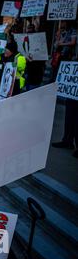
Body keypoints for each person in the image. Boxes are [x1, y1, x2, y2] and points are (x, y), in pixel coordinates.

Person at [52, 21, 78, 158]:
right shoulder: (66, 32)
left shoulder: (74, 32)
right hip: (72, 71)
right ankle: (67, 140)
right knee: (70, 108)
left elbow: (72, 43)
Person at [25, 24, 45, 91]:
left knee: (32, 91)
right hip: (29, 72)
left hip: (36, 75)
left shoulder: (41, 50)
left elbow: (41, 62)